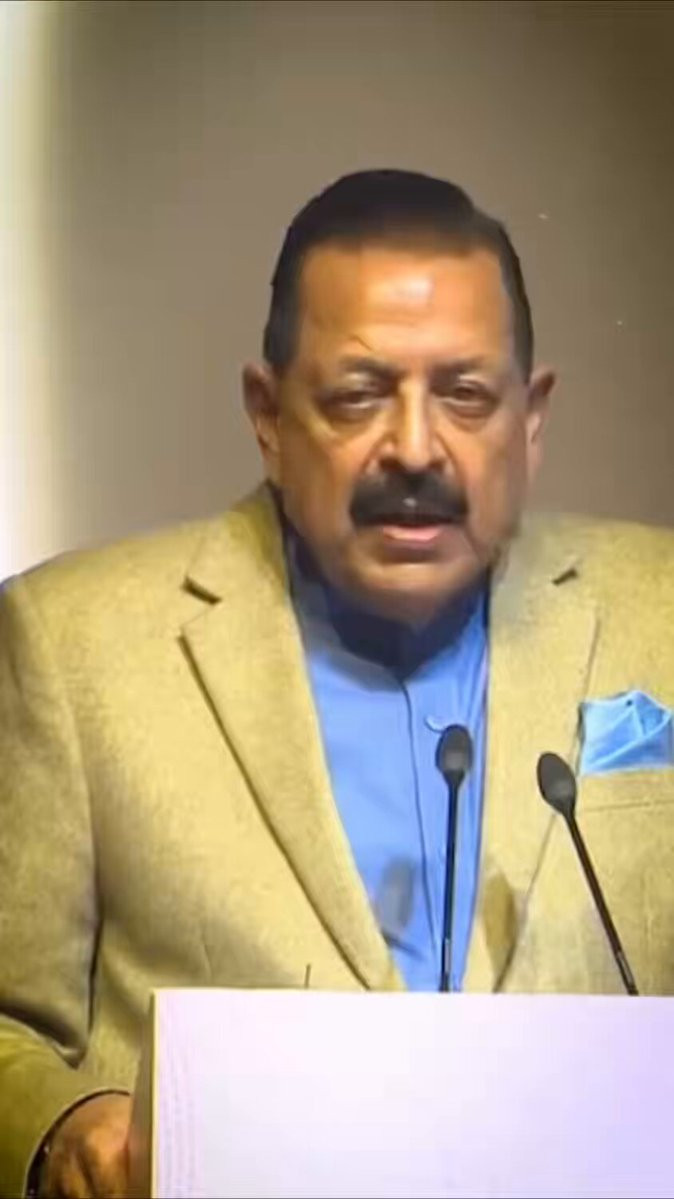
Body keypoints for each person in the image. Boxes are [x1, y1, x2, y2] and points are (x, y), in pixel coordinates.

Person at [0, 169, 672, 1198]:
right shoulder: (71, 642)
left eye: (465, 394)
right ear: (268, 415)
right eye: (358, 395)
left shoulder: (661, 615)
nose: (414, 448)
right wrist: (61, 1127)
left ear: (530, 417)